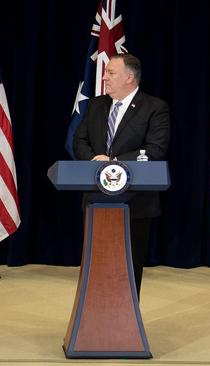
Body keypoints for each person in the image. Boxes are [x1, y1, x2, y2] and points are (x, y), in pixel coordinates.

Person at [73, 53, 170, 297]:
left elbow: (155, 150)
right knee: (95, 264)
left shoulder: (155, 108)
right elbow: (80, 141)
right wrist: (95, 161)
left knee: (130, 264)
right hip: (96, 199)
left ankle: (126, 326)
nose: (104, 77)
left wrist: (113, 163)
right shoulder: (96, 104)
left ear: (129, 77)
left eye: (111, 73)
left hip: (136, 203)